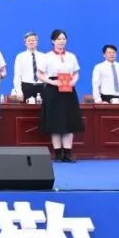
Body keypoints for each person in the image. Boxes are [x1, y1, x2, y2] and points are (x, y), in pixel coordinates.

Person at [36, 29, 85, 162]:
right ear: (53, 41)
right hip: (53, 90)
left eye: (63, 39)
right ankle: (58, 154)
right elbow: (39, 74)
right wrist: (52, 82)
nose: (61, 41)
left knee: (69, 122)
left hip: (69, 90)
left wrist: (74, 81)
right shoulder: (46, 56)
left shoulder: (71, 56)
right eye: (59, 39)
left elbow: (76, 73)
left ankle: (67, 154)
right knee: (55, 122)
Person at [12, 31, 46, 102]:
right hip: (26, 87)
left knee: (43, 108)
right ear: (25, 43)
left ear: (37, 42)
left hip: (41, 87)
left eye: (33, 40)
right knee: (25, 108)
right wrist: (18, 91)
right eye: (29, 41)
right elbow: (17, 75)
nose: (31, 42)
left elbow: (46, 74)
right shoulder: (20, 57)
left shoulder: (43, 56)